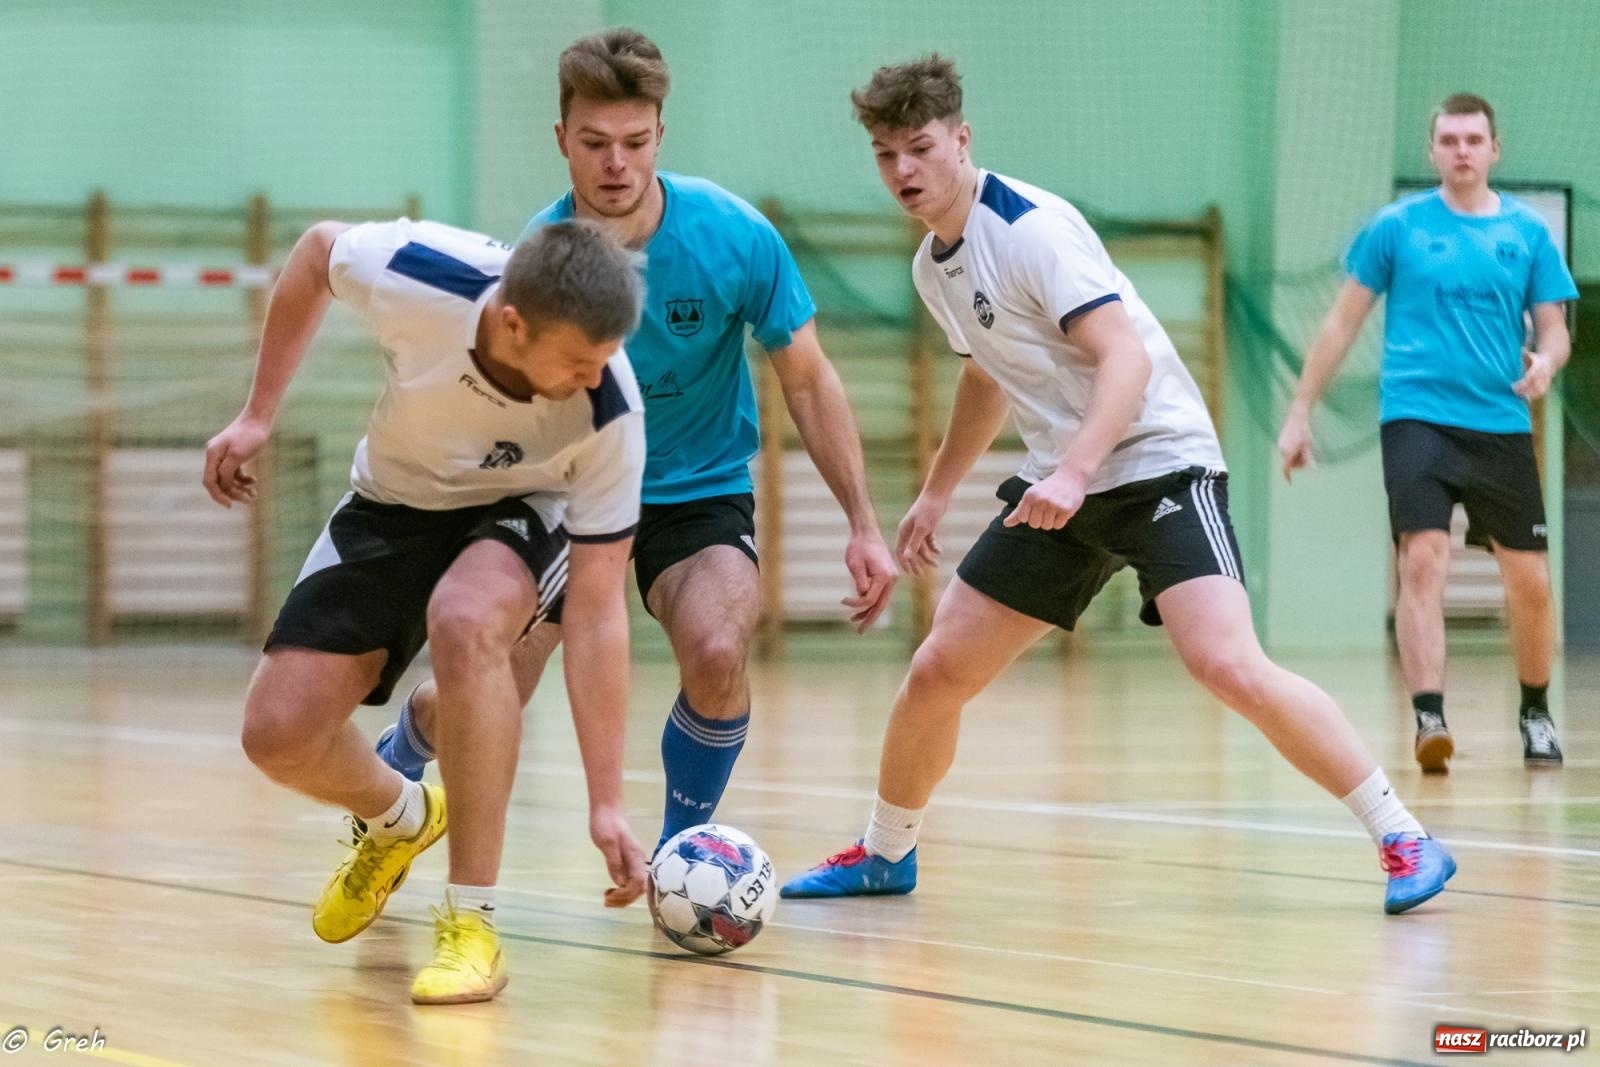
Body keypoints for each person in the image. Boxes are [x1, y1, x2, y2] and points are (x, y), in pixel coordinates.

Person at [780, 55, 1454, 914]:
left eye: (919, 147)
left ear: (961, 138)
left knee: (1225, 663)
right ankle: (885, 853)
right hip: (1063, 481)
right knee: (937, 669)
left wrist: (1075, 468)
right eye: (885, 155)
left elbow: (1126, 356)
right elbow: (987, 377)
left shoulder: (1030, 228)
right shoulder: (932, 266)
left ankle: (1405, 835)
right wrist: (939, 491)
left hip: (1158, 461)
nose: (904, 171)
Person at [376, 28, 898, 851]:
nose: (615, 163)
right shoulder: (534, 262)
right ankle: (407, 744)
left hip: (696, 491)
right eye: (593, 143)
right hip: (565, 494)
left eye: (634, 141)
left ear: (660, 133)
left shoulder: (734, 235)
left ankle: (676, 858)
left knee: (720, 647)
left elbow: (808, 377)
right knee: (488, 682)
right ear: (562, 142)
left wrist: (864, 523)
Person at [203, 217, 650, 1005]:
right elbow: (313, 255)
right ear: (513, 324)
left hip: (525, 504)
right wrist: (257, 413)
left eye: (606, 356)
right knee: (277, 733)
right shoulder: (417, 275)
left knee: (466, 616)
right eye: (579, 359)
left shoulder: (610, 408)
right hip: (393, 499)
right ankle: (402, 814)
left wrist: (606, 798)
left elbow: (601, 608)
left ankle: (472, 920)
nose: (597, 374)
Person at [1278, 93, 1577, 773]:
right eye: (1450, 139)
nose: (1463, 150)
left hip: (1500, 423)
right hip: (1416, 417)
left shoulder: (1529, 235)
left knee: (1529, 580)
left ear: (1495, 149)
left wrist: (1547, 363)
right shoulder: (1397, 227)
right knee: (1422, 560)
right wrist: (1299, 413)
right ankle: (1428, 716)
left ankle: (1535, 710)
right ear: (1433, 150)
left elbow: (1554, 328)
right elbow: (1340, 324)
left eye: (1475, 139)